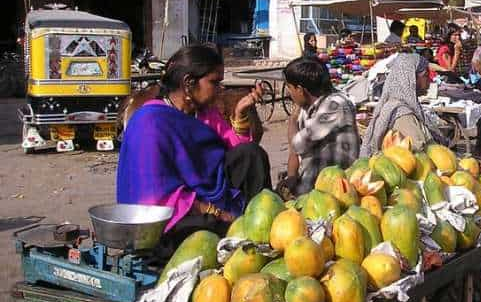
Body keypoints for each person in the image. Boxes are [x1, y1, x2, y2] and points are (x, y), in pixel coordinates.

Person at [116, 45, 271, 248]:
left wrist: (240, 113)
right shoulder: (150, 123)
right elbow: (159, 196)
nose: (219, 89)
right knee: (214, 230)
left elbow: (233, 152)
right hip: (171, 214)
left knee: (252, 155)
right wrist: (217, 212)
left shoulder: (204, 113)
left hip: (207, 194)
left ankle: (264, 222)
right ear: (189, 83)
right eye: (214, 82)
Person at [284, 57, 360, 195]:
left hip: (334, 190)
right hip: (310, 184)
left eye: (289, 87)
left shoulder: (336, 105)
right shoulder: (306, 107)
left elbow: (297, 144)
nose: (289, 93)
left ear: (300, 90)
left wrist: (293, 119)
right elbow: (294, 152)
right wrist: (291, 178)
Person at [361, 53, 447, 156]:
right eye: (426, 76)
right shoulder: (403, 114)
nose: (430, 80)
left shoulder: (396, 106)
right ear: (411, 79)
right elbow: (419, 152)